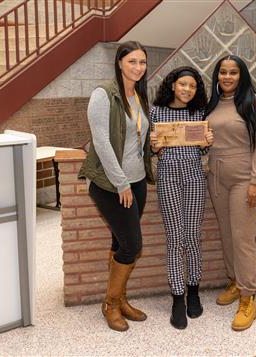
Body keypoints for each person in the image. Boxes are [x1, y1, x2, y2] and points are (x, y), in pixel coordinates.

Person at [78, 41, 154, 332]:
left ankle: (120, 298)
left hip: (137, 181)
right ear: (120, 62)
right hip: (111, 184)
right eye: (132, 61)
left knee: (121, 242)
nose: (138, 67)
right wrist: (120, 183)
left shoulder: (139, 94)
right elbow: (102, 142)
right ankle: (111, 304)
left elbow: (137, 138)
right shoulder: (103, 94)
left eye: (142, 63)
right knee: (133, 245)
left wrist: (155, 143)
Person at [205, 55, 256, 331]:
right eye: (223, 72)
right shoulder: (212, 104)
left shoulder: (255, 103)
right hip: (217, 177)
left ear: (242, 75)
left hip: (246, 177)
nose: (228, 77)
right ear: (217, 76)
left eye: (233, 72)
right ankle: (233, 280)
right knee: (227, 233)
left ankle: (248, 297)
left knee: (243, 238)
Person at [149, 66, 214, 330]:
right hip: (168, 177)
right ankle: (177, 297)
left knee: (193, 236)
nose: (187, 89)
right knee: (175, 238)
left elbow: (205, 147)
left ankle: (194, 290)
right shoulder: (155, 112)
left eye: (193, 86)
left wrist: (206, 142)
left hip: (195, 176)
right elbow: (151, 150)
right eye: (183, 84)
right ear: (173, 85)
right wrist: (153, 147)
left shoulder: (199, 113)